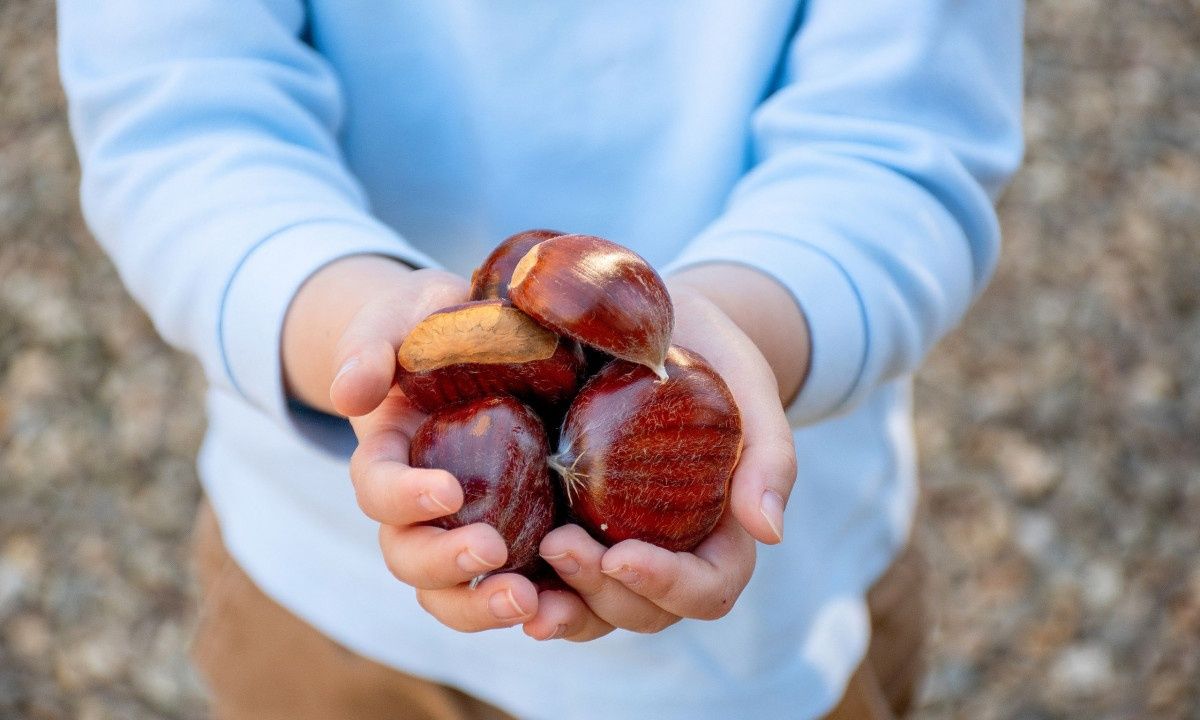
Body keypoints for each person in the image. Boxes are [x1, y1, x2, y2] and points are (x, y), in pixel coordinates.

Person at [57, 2, 1023, 718]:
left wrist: (741, 326)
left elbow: (901, 141)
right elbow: (178, 123)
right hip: (337, 599)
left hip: (783, 612)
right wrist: (349, 321)